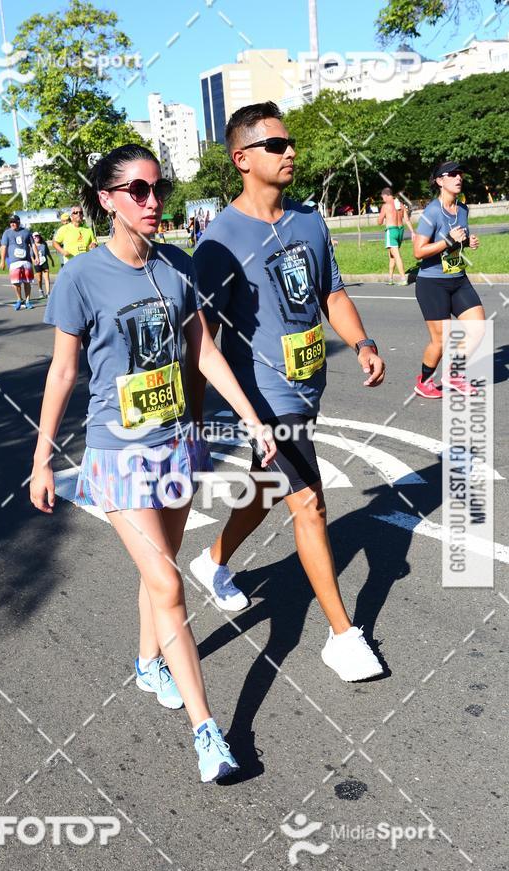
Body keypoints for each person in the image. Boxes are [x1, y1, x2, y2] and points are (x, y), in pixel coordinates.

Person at [29, 144, 276, 783]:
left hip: (178, 446)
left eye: (157, 188)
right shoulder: (81, 277)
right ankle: (208, 732)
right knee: (167, 583)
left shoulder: (177, 265)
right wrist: (41, 460)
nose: (152, 200)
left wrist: (249, 418)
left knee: (156, 569)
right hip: (117, 455)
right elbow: (63, 371)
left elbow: (203, 353)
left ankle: (147, 662)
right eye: (136, 190)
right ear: (107, 200)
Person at [189, 101, 386, 683]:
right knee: (309, 502)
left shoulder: (307, 221)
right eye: (277, 145)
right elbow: (202, 339)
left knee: (267, 489)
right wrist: (197, 421)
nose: (291, 151)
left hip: (308, 384)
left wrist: (362, 342)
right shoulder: (218, 244)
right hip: (266, 397)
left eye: (290, 141)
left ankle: (213, 560)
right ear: (243, 158)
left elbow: (332, 294)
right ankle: (342, 636)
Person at [412, 161, 484, 399]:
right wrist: (449, 241)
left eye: (460, 173)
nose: (458, 177)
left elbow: (457, 240)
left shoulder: (463, 209)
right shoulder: (432, 211)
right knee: (441, 341)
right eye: (452, 174)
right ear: (440, 181)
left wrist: (466, 242)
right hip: (432, 284)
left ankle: (454, 375)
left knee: (478, 329)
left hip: (458, 278)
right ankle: (423, 382)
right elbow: (418, 251)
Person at [0, 215, 39, 310]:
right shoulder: (7, 233)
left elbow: (33, 245)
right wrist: (2, 261)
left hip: (26, 261)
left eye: (14, 221)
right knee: (15, 282)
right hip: (14, 261)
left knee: (27, 282)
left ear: (18, 222)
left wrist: (36, 256)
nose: (12, 224)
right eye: (11, 222)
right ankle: (19, 299)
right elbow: (3, 247)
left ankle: (28, 300)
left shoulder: (26, 232)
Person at [378, 187, 415, 285]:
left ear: (386, 195)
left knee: (396, 255)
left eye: (382, 197)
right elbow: (407, 220)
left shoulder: (385, 206)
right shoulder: (400, 205)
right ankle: (390, 278)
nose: (382, 199)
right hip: (400, 231)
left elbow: (379, 222)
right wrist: (412, 232)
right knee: (392, 255)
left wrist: (383, 217)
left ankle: (403, 278)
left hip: (391, 230)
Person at [32, 232, 54, 298]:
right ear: (33, 238)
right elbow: (31, 256)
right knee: (39, 278)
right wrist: (34, 262)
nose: (37, 238)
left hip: (44, 262)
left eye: (38, 236)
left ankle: (48, 293)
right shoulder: (32, 245)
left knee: (46, 278)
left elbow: (48, 253)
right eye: (35, 237)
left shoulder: (44, 244)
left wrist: (52, 260)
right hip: (37, 263)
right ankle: (40, 290)